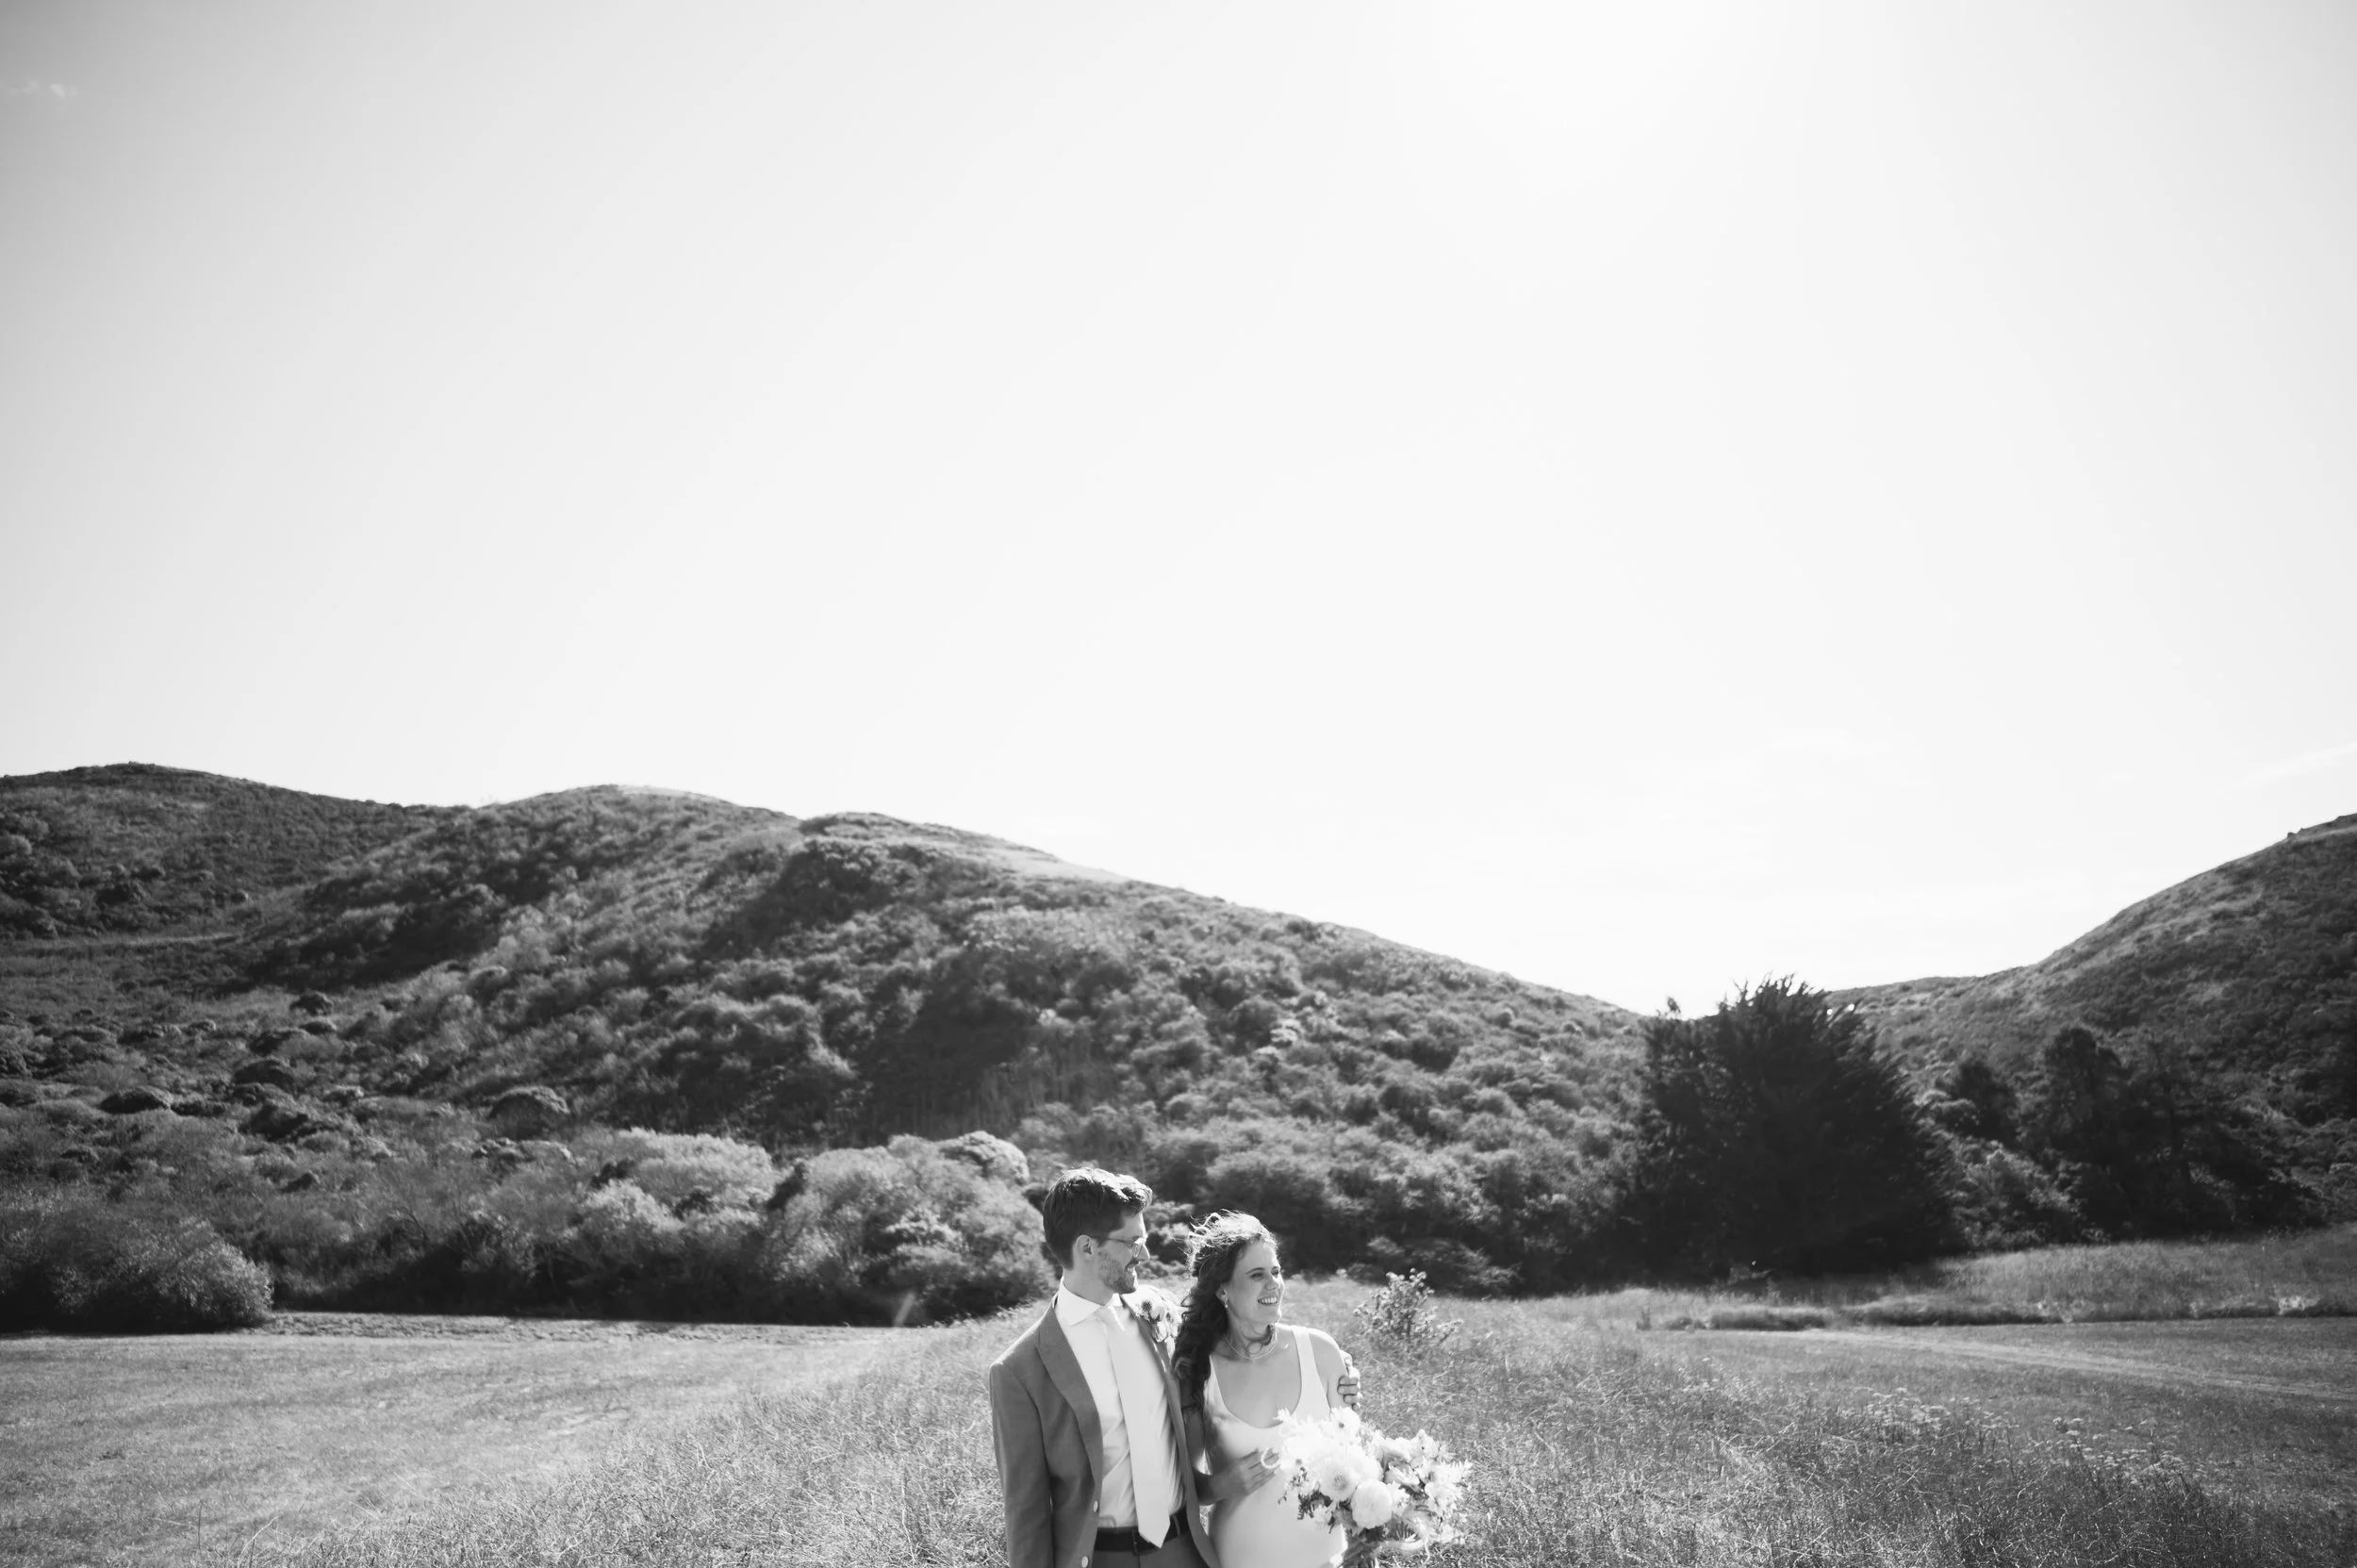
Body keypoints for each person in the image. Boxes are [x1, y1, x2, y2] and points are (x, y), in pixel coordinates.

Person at [987, 1167, 1222, 1568]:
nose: (1145, 1254)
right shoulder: (1018, 1371)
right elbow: (1025, 1511)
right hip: (1100, 1558)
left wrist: (1326, 1370)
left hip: (1186, 1551)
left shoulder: (1159, 1312)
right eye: (1133, 1242)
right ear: (1087, 1248)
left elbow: (1226, 1359)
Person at [1172, 1213, 1365, 1568]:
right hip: (1239, 1557)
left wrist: (1364, 1549)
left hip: (1330, 1559)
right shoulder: (1201, 1372)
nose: (1273, 1284)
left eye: (1275, 1272)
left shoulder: (1320, 1352)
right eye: (1257, 1275)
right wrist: (1223, 1485)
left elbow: (1356, 1467)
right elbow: (1187, 1485)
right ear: (1221, 1289)